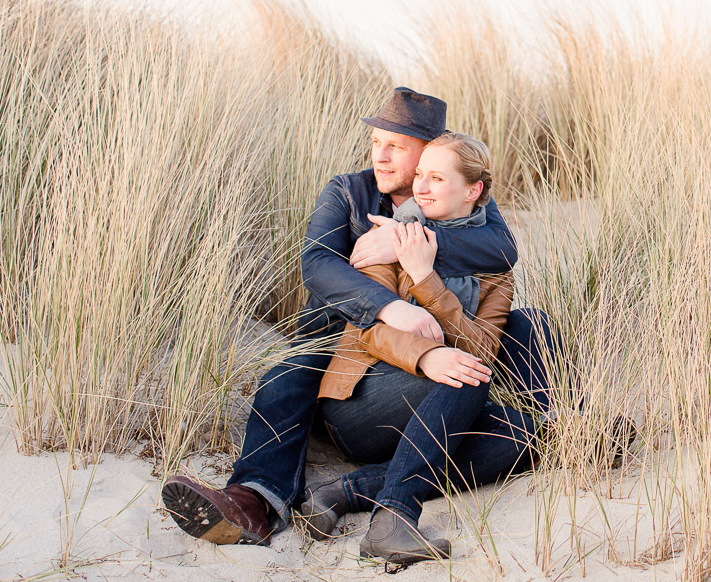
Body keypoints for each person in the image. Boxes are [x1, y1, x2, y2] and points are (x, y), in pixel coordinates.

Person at [161, 87, 559, 547]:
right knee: (287, 377)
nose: (382, 158)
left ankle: (556, 428)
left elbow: (501, 251)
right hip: (340, 334)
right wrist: (394, 308)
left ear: (431, 150)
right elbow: (317, 265)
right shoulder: (350, 192)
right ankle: (252, 499)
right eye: (377, 143)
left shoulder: (461, 203)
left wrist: (408, 245)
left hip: (439, 341)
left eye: (398, 147)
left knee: (529, 331)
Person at [294, 132, 537, 563]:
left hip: (434, 403)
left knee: (525, 433)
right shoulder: (387, 238)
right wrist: (427, 355)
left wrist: (426, 278)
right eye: (420, 174)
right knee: (470, 374)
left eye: (436, 178)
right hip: (360, 399)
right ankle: (393, 518)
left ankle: (347, 491)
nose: (420, 187)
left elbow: (484, 342)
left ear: (473, 190)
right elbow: (367, 328)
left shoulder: (494, 265)